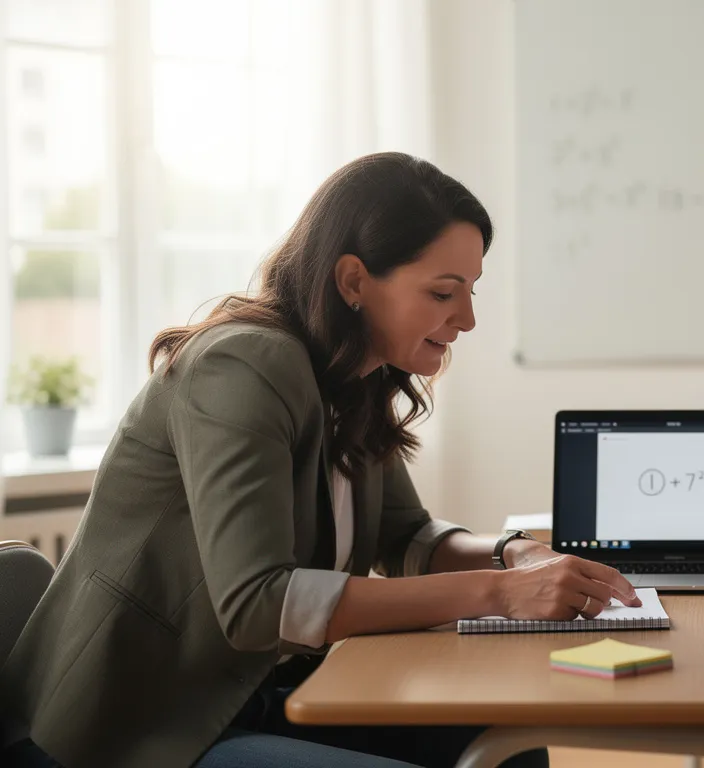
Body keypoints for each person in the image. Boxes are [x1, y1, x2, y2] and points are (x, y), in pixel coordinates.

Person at [0, 152, 639, 768]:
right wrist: (500, 593)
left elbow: (406, 536)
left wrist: (515, 554)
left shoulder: (354, 377)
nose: (467, 319)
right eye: (443, 292)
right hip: (135, 725)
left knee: (504, 740)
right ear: (354, 281)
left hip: (251, 697)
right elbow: (257, 604)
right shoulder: (244, 365)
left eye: (470, 291)